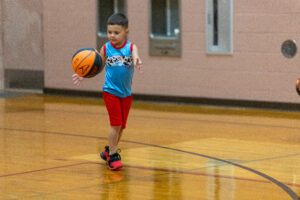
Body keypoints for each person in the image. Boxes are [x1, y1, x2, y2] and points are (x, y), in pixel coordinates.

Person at [72, 13, 143, 170]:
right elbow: (95, 66)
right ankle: (112, 155)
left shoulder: (130, 47)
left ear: (126, 32)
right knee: (115, 123)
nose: (112, 35)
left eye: (116, 32)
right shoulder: (105, 48)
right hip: (110, 91)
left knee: (122, 126)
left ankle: (108, 150)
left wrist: (137, 59)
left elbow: (135, 54)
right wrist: (83, 73)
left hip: (126, 93)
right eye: (109, 32)